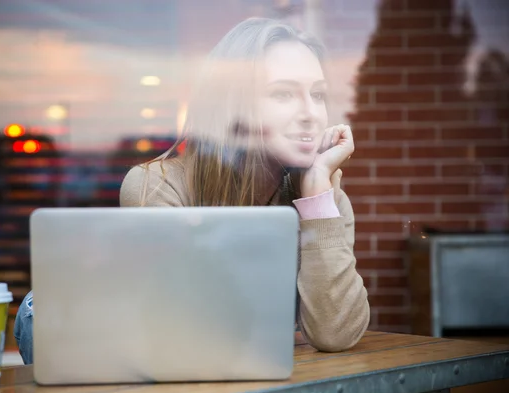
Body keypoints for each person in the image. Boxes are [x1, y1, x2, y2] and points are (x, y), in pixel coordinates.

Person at [120, 17, 369, 352]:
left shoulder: (324, 200)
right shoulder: (157, 186)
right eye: (283, 94)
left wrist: (318, 204)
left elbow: (336, 334)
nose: (311, 112)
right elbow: (187, 332)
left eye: (318, 94)